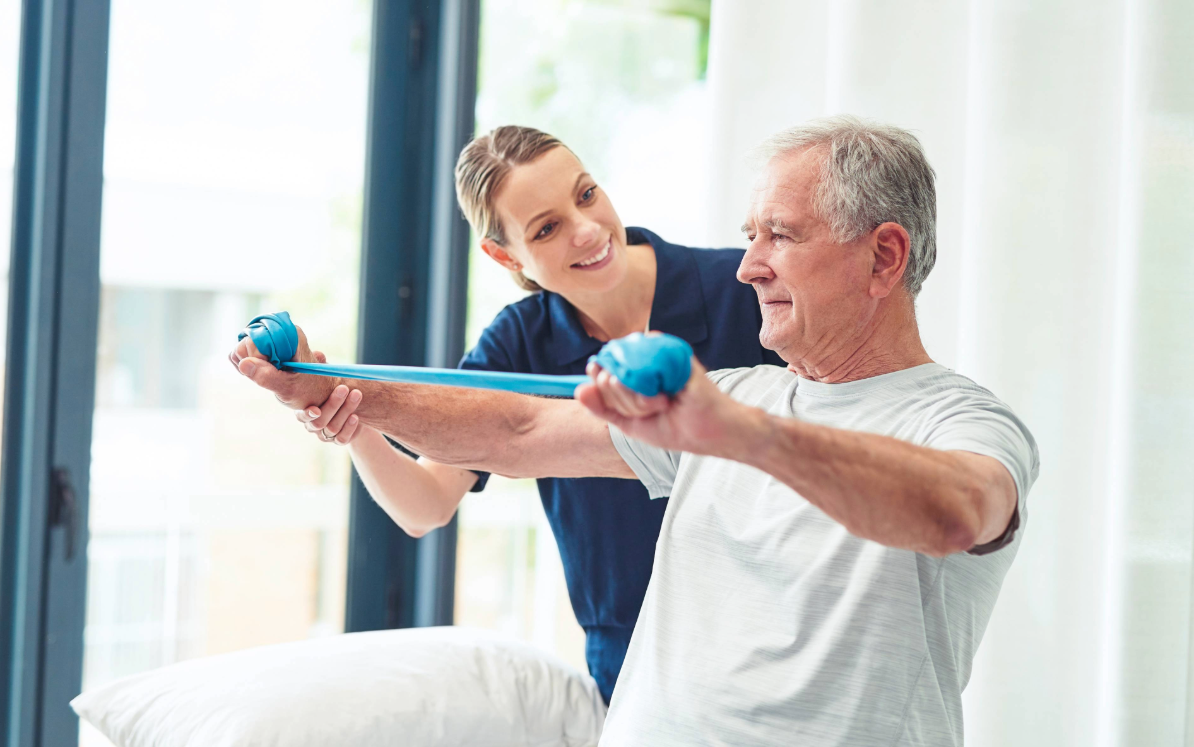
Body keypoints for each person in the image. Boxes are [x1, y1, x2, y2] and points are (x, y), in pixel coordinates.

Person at [233, 116, 1039, 746]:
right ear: (507, 255)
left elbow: (958, 509)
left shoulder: (957, 418)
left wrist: (743, 434)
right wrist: (330, 389)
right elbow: (511, 429)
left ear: (884, 257)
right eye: (750, 235)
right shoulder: (730, 387)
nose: (749, 265)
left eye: (778, 237)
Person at [289, 125, 783, 702]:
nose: (588, 231)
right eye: (547, 229)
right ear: (504, 255)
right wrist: (343, 411)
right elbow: (424, 504)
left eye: (586, 194)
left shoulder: (742, 287)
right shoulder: (517, 344)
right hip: (637, 674)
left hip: (774, 644)